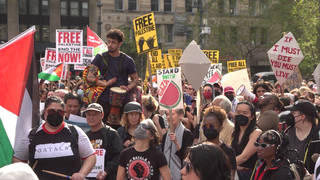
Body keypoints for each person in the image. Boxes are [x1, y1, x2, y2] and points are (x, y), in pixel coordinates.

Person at [12, 96, 96, 180]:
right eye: (51, 111)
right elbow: (18, 159)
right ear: (45, 112)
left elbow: (90, 156)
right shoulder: (32, 135)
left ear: (64, 114)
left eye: (60, 112)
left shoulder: (75, 132)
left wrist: (81, 174)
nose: (55, 114)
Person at [90, 29, 139, 126]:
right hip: (103, 100)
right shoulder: (99, 57)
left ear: (120, 44)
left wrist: (128, 87)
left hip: (122, 101)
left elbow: (136, 79)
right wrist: (105, 83)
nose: (110, 44)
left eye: (113, 42)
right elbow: (90, 77)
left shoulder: (128, 60)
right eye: (108, 41)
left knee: (121, 128)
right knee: (102, 127)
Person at [84, 103, 123, 180]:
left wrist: (106, 171)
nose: (91, 117)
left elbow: (118, 156)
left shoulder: (111, 133)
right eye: (89, 115)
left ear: (102, 115)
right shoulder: (85, 136)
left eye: (94, 115)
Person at [202, 106, 236, 179]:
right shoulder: (198, 148)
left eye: (211, 126)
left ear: (221, 127)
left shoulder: (228, 151)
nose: (208, 128)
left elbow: (231, 175)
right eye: (205, 126)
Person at [287, 99, 320, 174]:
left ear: (302, 116)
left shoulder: (318, 135)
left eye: (293, 113)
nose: (289, 115)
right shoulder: (287, 131)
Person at [231, 101, 262, 180]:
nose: (241, 115)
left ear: (252, 117)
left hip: (247, 175)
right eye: (238, 112)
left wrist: (224, 164)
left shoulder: (256, 132)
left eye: (245, 113)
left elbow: (244, 157)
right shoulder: (234, 132)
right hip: (234, 172)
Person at [162, 108, 193, 180]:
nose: (168, 117)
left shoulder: (187, 134)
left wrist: (176, 143)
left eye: (172, 114)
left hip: (181, 175)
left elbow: (186, 157)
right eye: (167, 114)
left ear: (180, 116)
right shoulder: (165, 136)